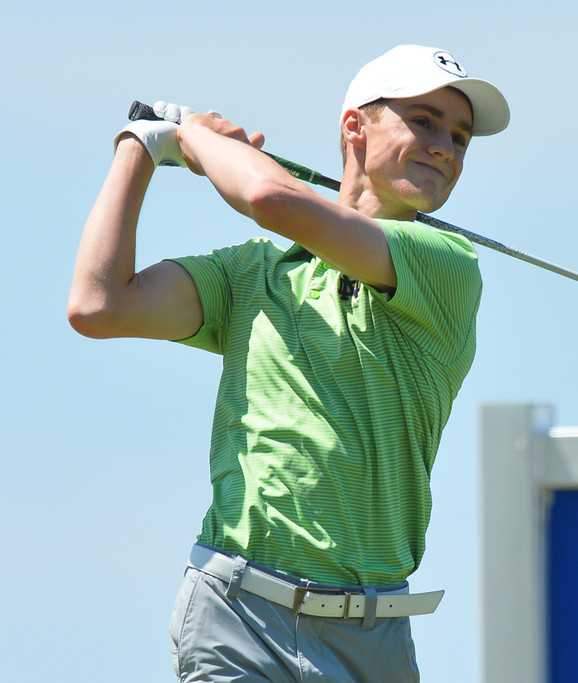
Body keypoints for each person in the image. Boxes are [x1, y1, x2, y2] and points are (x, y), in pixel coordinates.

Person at [67, 45, 510, 682]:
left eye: (460, 137)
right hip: (237, 615)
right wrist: (140, 147)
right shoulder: (252, 275)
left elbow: (268, 194)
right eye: (424, 121)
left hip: (374, 639)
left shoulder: (446, 264)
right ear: (355, 126)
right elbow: (99, 304)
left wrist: (192, 138)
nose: (445, 147)